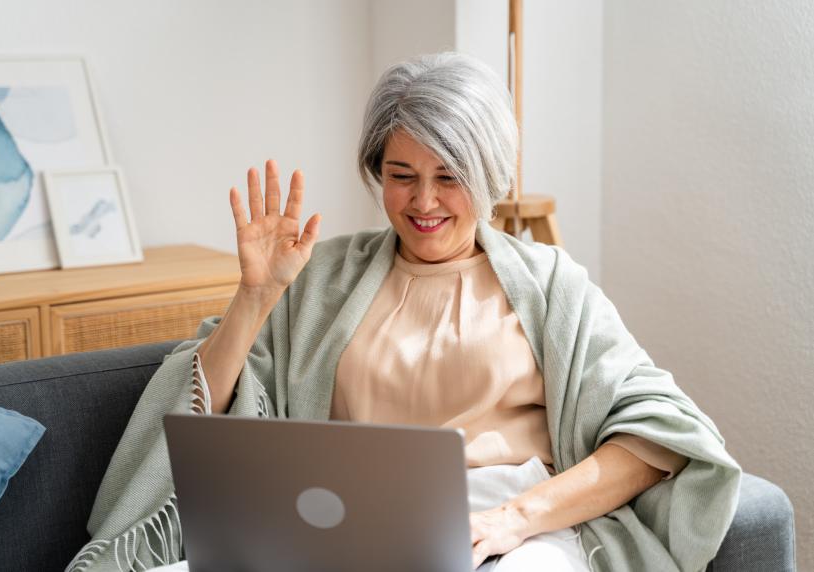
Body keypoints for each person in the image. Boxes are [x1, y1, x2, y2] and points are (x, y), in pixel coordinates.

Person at [67, 53, 741, 572]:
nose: (423, 202)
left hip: (506, 534)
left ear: (487, 175)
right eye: (400, 174)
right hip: (334, 527)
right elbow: (206, 412)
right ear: (376, 171)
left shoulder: (549, 284)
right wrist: (254, 297)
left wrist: (518, 518)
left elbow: (659, 434)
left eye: (448, 175)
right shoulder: (323, 274)